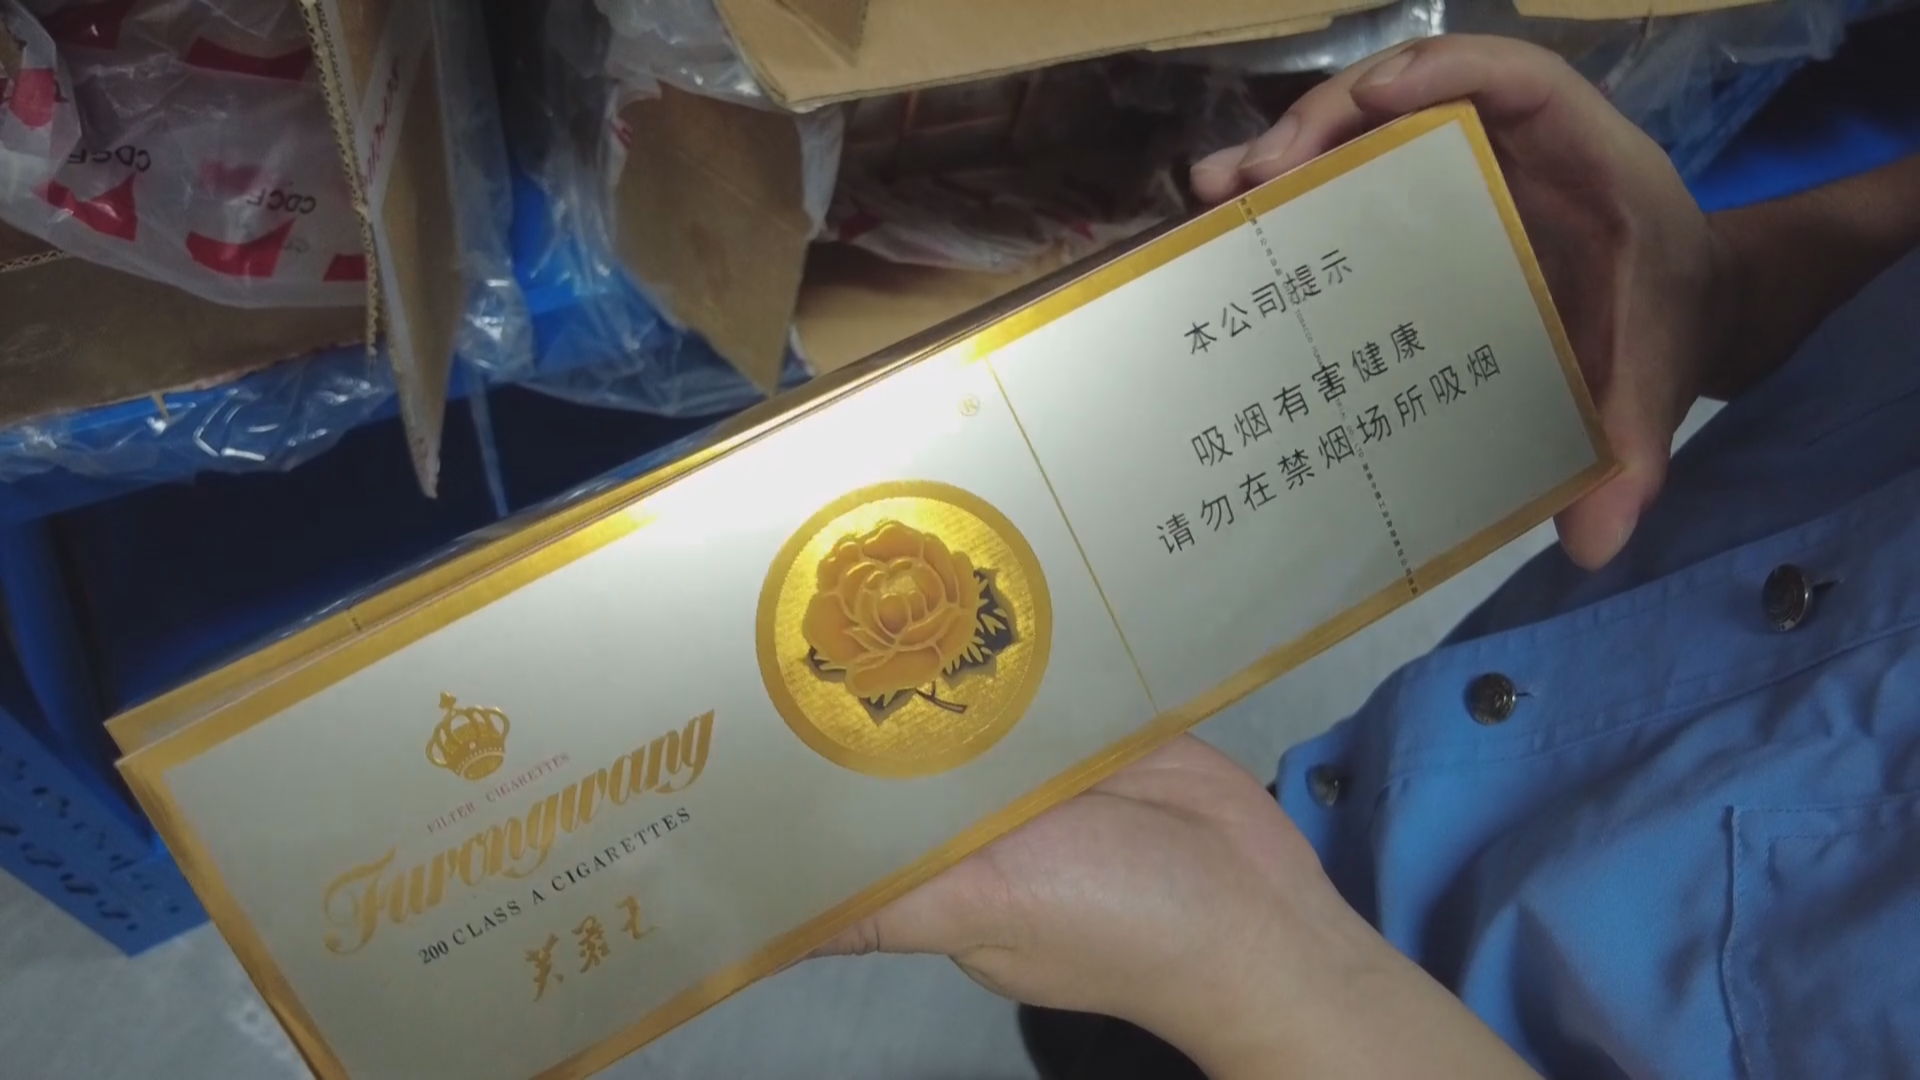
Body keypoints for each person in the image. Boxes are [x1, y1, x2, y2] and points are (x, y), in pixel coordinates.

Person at [809, 34, 1920, 1080]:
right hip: (1345, 806)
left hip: (1314, 988)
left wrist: (1260, 975)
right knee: (1082, 1024)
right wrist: (1715, 285)